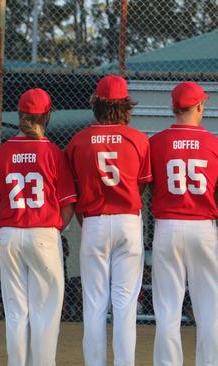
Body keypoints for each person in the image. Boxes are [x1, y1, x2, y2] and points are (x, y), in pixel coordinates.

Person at [0, 88, 77, 366]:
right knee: (46, 312)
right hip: (43, 232)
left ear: (21, 115)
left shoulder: (1, 153)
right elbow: (68, 204)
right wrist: (52, 230)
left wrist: (13, 225)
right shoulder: (53, 153)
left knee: (15, 310)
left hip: (10, 234)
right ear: (46, 115)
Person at [65, 75, 151, 366]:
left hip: (94, 222)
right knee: (125, 306)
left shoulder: (78, 141)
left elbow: (74, 192)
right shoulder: (138, 139)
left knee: (94, 304)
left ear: (96, 105)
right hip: (128, 220)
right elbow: (140, 186)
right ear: (126, 105)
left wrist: (87, 219)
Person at [148, 81, 218, 366]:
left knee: (168, 309)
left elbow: (149, 185)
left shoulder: (155, 142)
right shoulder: (216, 144)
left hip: (167, 226)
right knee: (208, 309)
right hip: (202, 225)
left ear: (173, 108)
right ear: (199, 107)